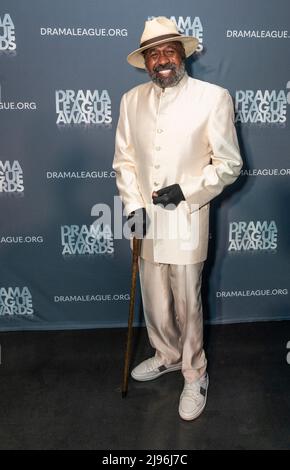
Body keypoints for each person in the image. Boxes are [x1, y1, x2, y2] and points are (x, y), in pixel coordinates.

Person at [113, 16, 242, 421]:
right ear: (146, 62)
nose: (162, 60)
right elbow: (125, 161)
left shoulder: (213, 97)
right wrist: (132, 205)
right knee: (154, 301)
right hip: (146, 220)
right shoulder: (131, 99)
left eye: (169, 51)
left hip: (188, 217)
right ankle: (166, 355)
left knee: (187, 301)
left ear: (182, 55)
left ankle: (194, 371)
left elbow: (229, 164)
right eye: (153, 54)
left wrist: (186, 190)